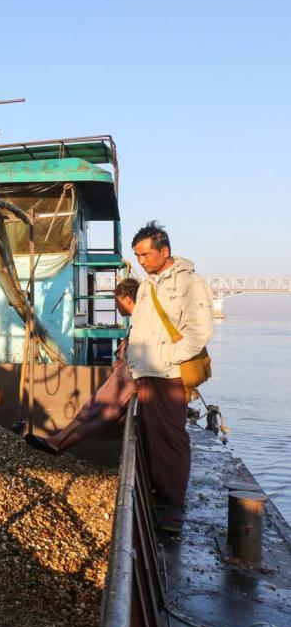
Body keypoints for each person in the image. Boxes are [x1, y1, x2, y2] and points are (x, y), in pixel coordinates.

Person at [126, 221, 213, 532]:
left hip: (169, 375)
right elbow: (140, 327)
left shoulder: (190, 283)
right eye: (136, 256)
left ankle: (173, 504)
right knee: (150, 435)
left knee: (171, 439)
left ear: (164, 251)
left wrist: (168, 358)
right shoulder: (148, 284)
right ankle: (157, 497)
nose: (141, 261)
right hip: (145, 372)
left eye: (145, 255)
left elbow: (200, 332)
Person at [27, 278, 140, 455]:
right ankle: (58, 443)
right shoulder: (139, 322)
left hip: (127, 379)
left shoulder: (142, 323)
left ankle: (58, 442)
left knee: (95, 411)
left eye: (117, 302)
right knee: (95, 413)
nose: (116, 307)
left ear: (127, 300)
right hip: (126, 376)